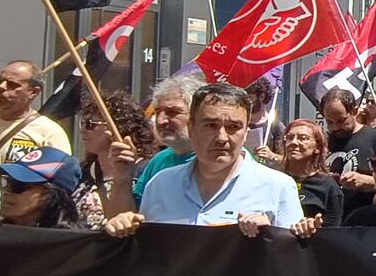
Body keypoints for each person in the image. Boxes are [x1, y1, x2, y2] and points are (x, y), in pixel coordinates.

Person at [108, 83, 315, 238]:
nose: (222, 137)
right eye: (211, 125)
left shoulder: (278, 187)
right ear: (192, 128)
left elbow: (292, 263)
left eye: (233, 127)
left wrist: (270, 235)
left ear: (245, 132)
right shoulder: (160, 184)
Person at [107, 73, 202, 216]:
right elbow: (123, 218)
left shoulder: (222, 160)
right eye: (158, 112)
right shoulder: (159, 161)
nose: (161, 121)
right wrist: (123, 176)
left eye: (172, 112)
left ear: (199, 115)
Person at [0, 60, 71, 162]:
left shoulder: (49, 132)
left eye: (12, 84)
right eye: (1, 81)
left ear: (33, 92)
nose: (1, 87)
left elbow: (61, 176)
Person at [76, 92, 153, 229]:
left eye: (90, 124)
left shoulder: (145, 172)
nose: (83, 130)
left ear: (116, 125)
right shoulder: (83, 172)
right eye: (82, 123)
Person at [0, 147, 93, 229]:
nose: (5, 191)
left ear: (49, 194)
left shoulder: (72, 246)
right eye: (5, 181)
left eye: (18, 185)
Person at [321, 88, 376, 216]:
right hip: (329, 220)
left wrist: (368, 182)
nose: (336, 127)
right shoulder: (322, 141)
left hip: (365, 220)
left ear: (354, 111)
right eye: (329, 122)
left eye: (341, 120)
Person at [277, 118, 344, 219]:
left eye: (303, 138)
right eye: (290, 138)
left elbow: (332, 230)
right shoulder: (274, 179)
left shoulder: (328, 186)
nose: (293, 142)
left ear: (317, 147)